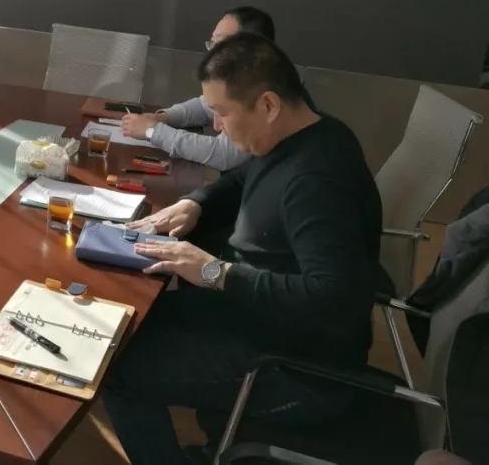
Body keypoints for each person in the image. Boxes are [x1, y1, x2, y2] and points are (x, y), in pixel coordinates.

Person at [101, 33, 382, 465]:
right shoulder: (299, 133)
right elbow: (240, 179)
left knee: (117, 368)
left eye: (222, 112)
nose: (216, 125)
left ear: (268, 105)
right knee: (125, 327)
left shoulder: (318, 180)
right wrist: (196, 203)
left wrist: (215, 272)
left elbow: (333, 299)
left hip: (294, 369)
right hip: (250, 319)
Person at [122, 6, 312, 171]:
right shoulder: (247, 78)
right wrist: (164, 117)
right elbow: (204, 105)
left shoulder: (263, 88)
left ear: (251, 47)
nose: (212, 53)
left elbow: (224, 155)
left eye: (220, 44)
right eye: (212, 44)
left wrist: (153, 131)